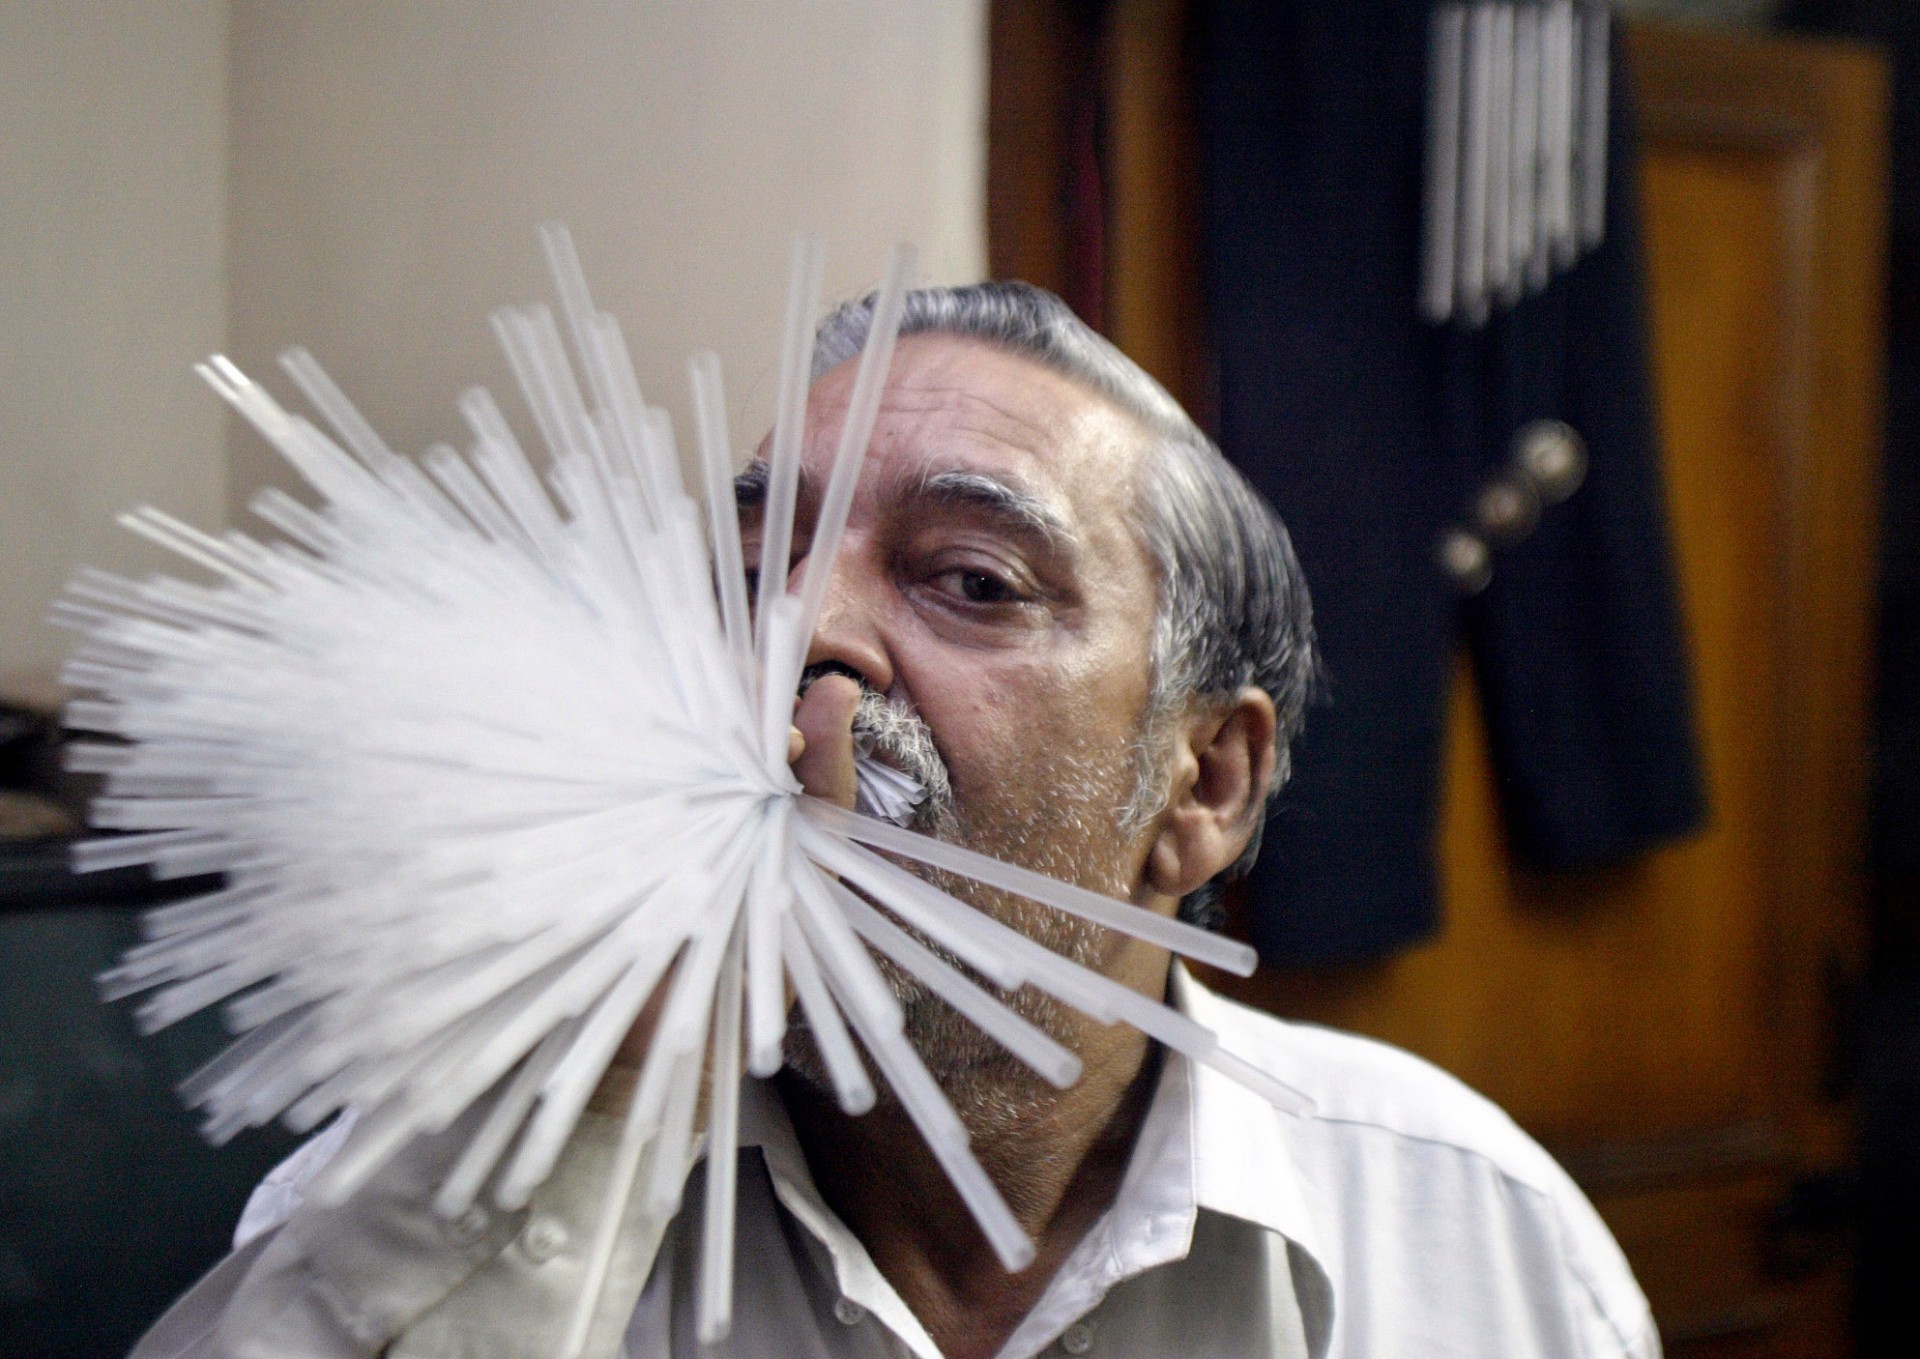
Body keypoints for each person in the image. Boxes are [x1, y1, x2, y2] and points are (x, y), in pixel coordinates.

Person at [130, 283, 1658, 1359]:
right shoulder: (440, 1185)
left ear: (1199, 788)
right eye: (750, 570)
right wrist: (596, 1092)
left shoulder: (1474, 1235)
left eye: (972, 580)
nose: (798, 637)